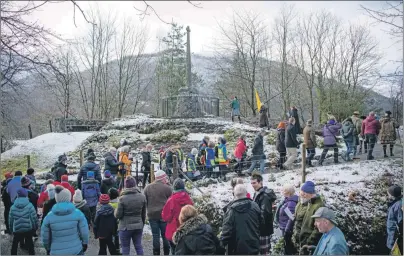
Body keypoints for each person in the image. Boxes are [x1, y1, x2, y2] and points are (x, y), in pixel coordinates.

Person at [41, 186, 89, 255]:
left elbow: (45, 236)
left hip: (56, 251)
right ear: (69, 198)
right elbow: (84, 232)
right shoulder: (78, 213)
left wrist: (48, 248)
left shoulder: (49, 217)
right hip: (76, 250)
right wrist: (85, 244)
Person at [221, 184, 261, 255]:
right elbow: (261, 223)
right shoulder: (254, 206)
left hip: (236, 250)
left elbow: (226, 233)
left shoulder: (231, 211)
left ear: (234, 195)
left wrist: (220, 248)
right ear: (246, 193)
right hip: (254, 247)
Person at [115, 176, 146, 255]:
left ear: (126, 186)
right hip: (138, 225)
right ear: (135, 184)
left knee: (125, 248)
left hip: (125, 227)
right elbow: (143, 213)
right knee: (138, 246)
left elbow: (118, 215)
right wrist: (142, 224)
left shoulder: (122, 199)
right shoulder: (142, 197)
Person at [144, 170, 173, 255]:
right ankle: (166, 253)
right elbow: (171, 200)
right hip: (164, 215)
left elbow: (145, 201)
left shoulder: (147, 187)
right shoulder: (167, 188)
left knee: (155, 235)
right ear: (163, 178)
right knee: (165, 235)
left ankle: (156, 253)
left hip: (152, 215)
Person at [162, 178, 194, 254]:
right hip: (187, 230)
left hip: (174, 231)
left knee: (174, 251)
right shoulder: (188, 199)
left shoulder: (171, 200)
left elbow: (165, 216)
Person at [292, 181, 325, 254]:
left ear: (311, 193)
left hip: (309, 243)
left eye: (304, 193)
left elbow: (318, 229)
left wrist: (309, 242)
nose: (302, 195)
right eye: (301, 192)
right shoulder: (310, 202)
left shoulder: (318, 206)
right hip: (303, 240)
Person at [251, 173, 277, 255]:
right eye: (251, 183)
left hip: (263, 229)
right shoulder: (257, 193)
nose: (252, 185)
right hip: (260, 228)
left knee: (264, 252)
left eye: (254, 183)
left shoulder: (264, 195)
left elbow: (264, 214)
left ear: (260, 182)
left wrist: (257, 227)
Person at [9, 188, 38, 255]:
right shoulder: (30, 205)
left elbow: (10, 219)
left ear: (18, 195)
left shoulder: (13, 207)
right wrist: (35, 228)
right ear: (26, 195)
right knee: (30, 244)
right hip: (28, 229)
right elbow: (34, 218)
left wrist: (11, 229)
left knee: (14, 245)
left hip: (17, 229)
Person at [275, 184, 299, 255]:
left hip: (287, 229)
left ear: (287, 192)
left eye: (283, 190)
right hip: (284, 227)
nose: (281, 192)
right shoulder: (287, 200)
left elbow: (291, 218)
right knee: (286, 247)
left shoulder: (291, 203)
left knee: (288, 248)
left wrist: (287, 230)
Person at [386, 185, 403, 253]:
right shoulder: (395, 203)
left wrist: (399, 237)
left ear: (392, 195)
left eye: (388, 194)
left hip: (396, 237)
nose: (388, 196)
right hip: (392, 235)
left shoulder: (398, 206)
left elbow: (401, 221)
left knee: (396, 252)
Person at [108, 188, 120, 254]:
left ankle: (112, 251)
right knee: (117, 236)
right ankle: (117, 249)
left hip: (110, 225)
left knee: (111, 237)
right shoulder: (119, 204)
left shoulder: (108, 205)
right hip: (118, 224)